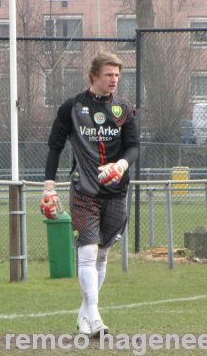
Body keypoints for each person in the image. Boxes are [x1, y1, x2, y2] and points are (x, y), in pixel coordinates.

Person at [40, 51, 139, 337]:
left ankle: (85, 312)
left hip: (116, 190)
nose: (114, 80)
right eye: (109, 74)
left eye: (117, 75)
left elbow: (133, 147)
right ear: (94, 75)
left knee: (103, 254)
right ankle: (95, 318)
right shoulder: (72, 107)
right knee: (87, 251)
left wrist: (120, 165)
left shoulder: (124, 107)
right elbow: (55, 147)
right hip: (83, 189)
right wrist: (49, 184)